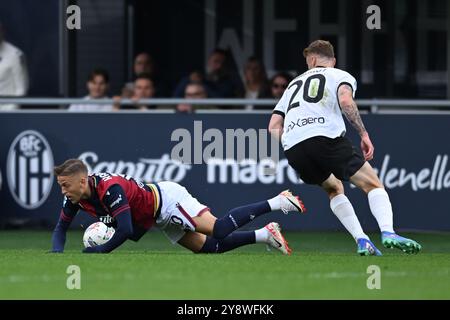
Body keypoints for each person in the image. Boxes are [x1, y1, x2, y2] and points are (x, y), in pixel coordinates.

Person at [268, 40, 421, 256]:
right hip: (325, 139)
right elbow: (346, 102)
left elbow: (273, 126)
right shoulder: (339, 75)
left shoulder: (293, 84)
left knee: (334, 188)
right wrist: (363, 134)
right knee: (373, 184)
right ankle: (388, 232)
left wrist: (289, 144)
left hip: (293, 147)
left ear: (312, 59)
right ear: (333, 60)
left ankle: (362, 240)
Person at [50, 159, 306, 254]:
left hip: (167, 200)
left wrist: (102, 248)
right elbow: (60, 229)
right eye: (60, 186)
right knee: (210, 248)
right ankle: (265, 235)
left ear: (82, 181)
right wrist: (56, 254)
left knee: (218, 229)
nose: (63, 191)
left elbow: (127, 229)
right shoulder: (75, 197)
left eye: (65, 185)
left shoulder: (110, 189)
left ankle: (278, 201)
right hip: (156, 216)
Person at [0, 21, 29, 110]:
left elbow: (21, 89)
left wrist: (10, 111)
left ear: (2, 33)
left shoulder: (15, 55)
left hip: (6, 111)